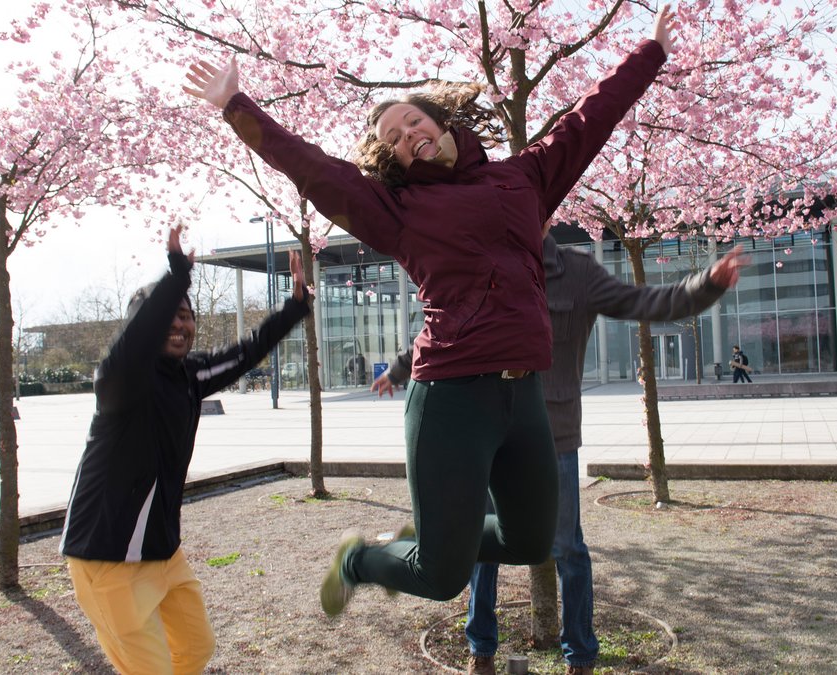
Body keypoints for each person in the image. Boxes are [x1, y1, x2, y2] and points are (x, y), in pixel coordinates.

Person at [183, 5, 682, 616]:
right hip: (452, 397)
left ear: (440, 122)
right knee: (442, 578)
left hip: (524, 394)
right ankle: (361, 560)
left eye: (413, 121)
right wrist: (239, 106)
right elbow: (313, 168)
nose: (407, 135)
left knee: (531, 540)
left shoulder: (522, 178)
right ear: (389, 156)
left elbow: (588, 121)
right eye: (391, 137)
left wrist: (648, 54)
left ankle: (434, 538)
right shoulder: (394, 207)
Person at [374, 227, 747, 675]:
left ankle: (580, 656)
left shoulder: (577, 273)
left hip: (554, 434)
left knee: (567, 549)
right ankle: (482, 648)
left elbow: (645, 302)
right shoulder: (483, 267)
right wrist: (399, 370)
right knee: (478, 546)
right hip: (484, 431)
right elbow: (438, 330)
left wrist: (705, 285)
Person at [59, 225, 311, 674]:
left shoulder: (189, 374)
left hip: (163, 551)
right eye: (169, 316)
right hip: (108, 555)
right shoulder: (118, 380)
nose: (181, 323)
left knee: (195, 649)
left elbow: (246, 353)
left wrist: (294, 307)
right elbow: (138, 338)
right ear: (144, 323)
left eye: (187, 315)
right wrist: (178, 275)